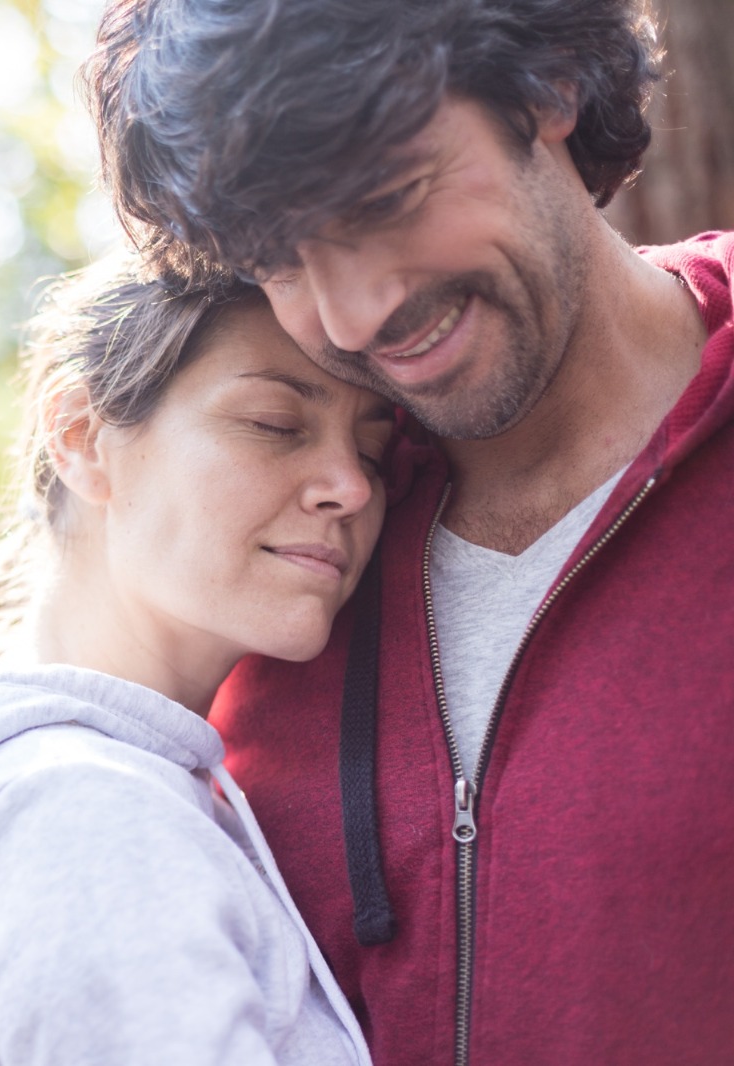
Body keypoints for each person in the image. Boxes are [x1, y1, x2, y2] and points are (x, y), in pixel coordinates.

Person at [82, 1, 734, 1063]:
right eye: (278, 261)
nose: (347, 317)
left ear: (549, 84)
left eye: (384, 199)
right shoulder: (279, 540)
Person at [0, 254, 395, 1064]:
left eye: (373, 452)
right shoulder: (82, 818)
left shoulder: (4, 778)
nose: (352, 487)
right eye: (273, 423)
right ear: (83, 438)